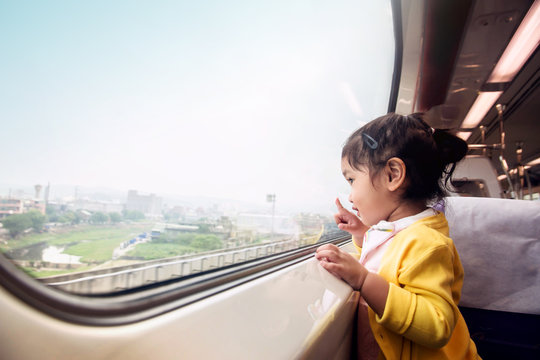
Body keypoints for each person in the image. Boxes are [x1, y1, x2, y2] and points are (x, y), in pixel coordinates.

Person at [315, 113, 480, 359]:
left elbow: (438, 325)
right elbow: (390, 266)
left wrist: (364, 281)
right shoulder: (395, 232)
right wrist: (362, 236)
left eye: (352, 179)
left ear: (392, 175)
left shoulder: (427, 243)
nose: (349, 196)